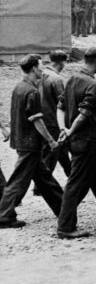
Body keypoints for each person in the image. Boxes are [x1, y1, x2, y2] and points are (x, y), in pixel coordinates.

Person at [57, 48, 96, 239]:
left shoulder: (72, 78)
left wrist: (64, 129)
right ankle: (65, 227)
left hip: (76, 141)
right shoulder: (92, 84)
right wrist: (70, 130)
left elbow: (60, 106)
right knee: (75, 185)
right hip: (85, 141)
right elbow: (84, 114)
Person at [0, 55, 63, 229]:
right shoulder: (32, 91)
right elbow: (37, 120)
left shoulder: (19, 88)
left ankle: (63, 208)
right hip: (30, 143)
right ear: (34, 68)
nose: (42, 69)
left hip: (22, 140)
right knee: (18, 181)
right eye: (41, 66)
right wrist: (50, 141)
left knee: (44, 179)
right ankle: (4, 216)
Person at [39, 51, 71, 179]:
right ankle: (41, 185)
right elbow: (63, 103)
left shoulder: (40, 74)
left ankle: (72, 173)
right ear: (62, 62)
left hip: (42, 119)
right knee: (52, 151)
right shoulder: (57, 79)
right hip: (54, 120)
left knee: (61, 150)